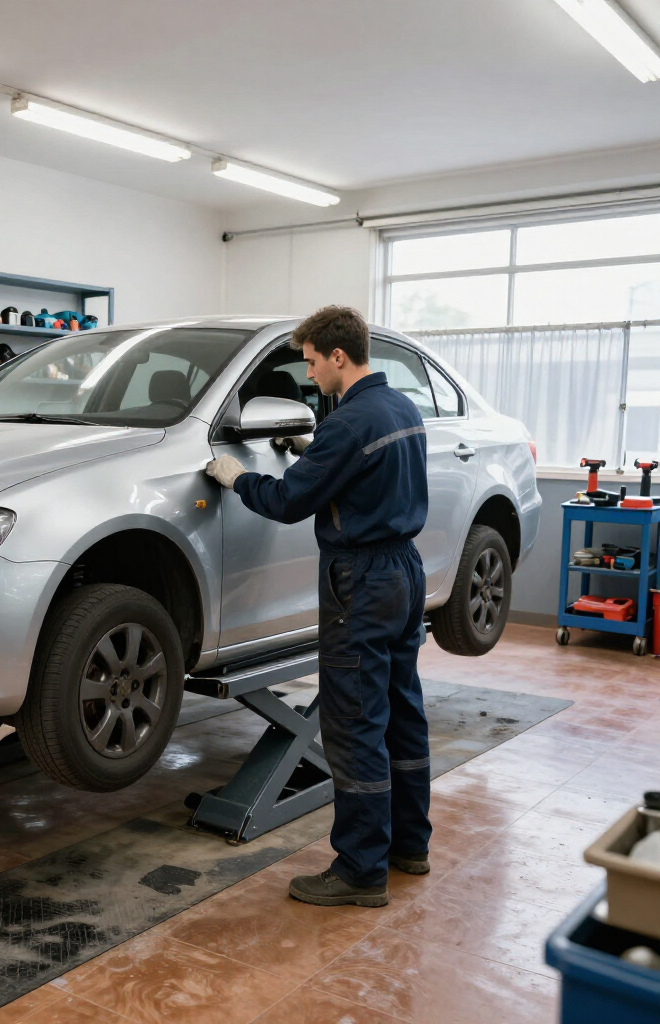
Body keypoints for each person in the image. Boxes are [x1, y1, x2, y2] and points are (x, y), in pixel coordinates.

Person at [205, 305, 432, 909]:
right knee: (401, 710)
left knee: (355, 725)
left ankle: (361, 870)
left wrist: (235, 478)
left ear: (338, 356)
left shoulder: (347, 425)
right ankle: (410, 846)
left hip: (359, 581)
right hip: (405, 571)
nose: (308, 375)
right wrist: (315, 450)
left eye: (310, 361)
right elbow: (365, 470)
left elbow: (286, 502)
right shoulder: (400, 407)